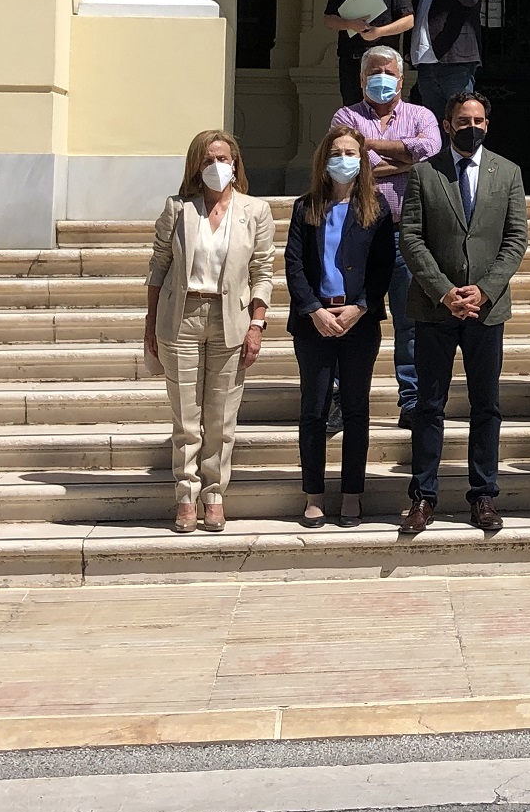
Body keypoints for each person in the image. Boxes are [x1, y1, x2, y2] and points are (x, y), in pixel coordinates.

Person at [398, 91, 527, 533]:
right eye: (461, 119)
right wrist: (445, 290)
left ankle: (484, 495)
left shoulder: (507, 173)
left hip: (486, 312)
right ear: (448, 124)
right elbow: (411, 237)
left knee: (486, 405)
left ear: (487, 124)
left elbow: (516, 241)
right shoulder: (423, 173)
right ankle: (422, 496)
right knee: (430, 406)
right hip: (436, 309)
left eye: (478, 119)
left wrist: (485, 291)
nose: (470, 125)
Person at [143, 130, 275, 534]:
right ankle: (186, 495)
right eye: (207, 159)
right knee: (186, 417)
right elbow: (158, 266)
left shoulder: (255, 210)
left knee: (221, 417)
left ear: (235, 163)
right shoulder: (178, 208)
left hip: (231, 319)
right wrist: (150, 324)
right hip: (181, 317)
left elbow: (263, 271)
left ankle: (214, 495)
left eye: (223, 158)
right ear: (195, 167)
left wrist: (257, 324)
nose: (216, 165)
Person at [284, 125, 394, 529]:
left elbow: (383, 267)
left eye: (351, 152)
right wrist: (313, 309)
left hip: (358, 323)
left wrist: (361, 307)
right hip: (314, 321)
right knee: (313, 410)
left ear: (362, 160)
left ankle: (352, 494)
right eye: (337, 152)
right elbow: (293, 264)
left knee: (355, 410)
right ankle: (314, 495)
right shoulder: (305, 207)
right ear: (323, 160)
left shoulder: (376, 209)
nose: (344, 159)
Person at [331, 46, 441, 428]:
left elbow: (430, 149)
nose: (382, 77)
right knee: (351, 318)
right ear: (362, 79)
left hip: (407, 236)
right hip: (359, 236)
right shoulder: (346, 116)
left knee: (409, 322)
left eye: (388, 71)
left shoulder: (421, 114)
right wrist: (403, 161)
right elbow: (350, 165)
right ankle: (344, 399)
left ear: (401, 77)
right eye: (374, 72)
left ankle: (410, 402)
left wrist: (370, 148)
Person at [321, 0, 415, 110]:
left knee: (383, 112)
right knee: (353, 113)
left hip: (383, 64)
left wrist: (378, 32)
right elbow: (328, 19)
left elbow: (408, 20)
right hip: (351, 60)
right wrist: (349, 24)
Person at [409, 0, 482, 125]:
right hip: (425, 63)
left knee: (462, 122)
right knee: (433, 126)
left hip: (455, 62)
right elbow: (419, 13)